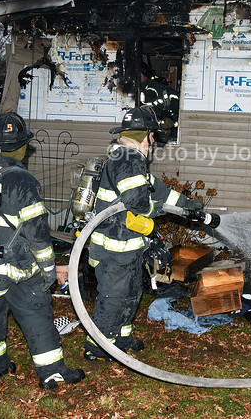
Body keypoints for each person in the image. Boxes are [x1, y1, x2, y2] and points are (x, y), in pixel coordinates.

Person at [0, 112, 85, 389]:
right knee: (37, 317)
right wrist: (47, 270)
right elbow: (37, 234)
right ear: (20, 147)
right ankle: (52, 373)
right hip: (17, 268)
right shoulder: (23, 180)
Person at [83, 106, 204, 361]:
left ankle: (122, 336)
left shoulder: (130, 159)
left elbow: (157, 190)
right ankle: (97, 346)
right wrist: (159, 210)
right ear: (146, 135)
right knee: (113, 298)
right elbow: (139, 202)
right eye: (153, 137)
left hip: (129, 246)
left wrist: (186, 203)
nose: (153, 144)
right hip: (114, 248)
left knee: (132, 293)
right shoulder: (126, 159)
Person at [140, 66, 180, 140]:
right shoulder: (169, 93)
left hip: (165, 126)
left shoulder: (149, 88)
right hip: (163, 126)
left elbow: (148, 106)